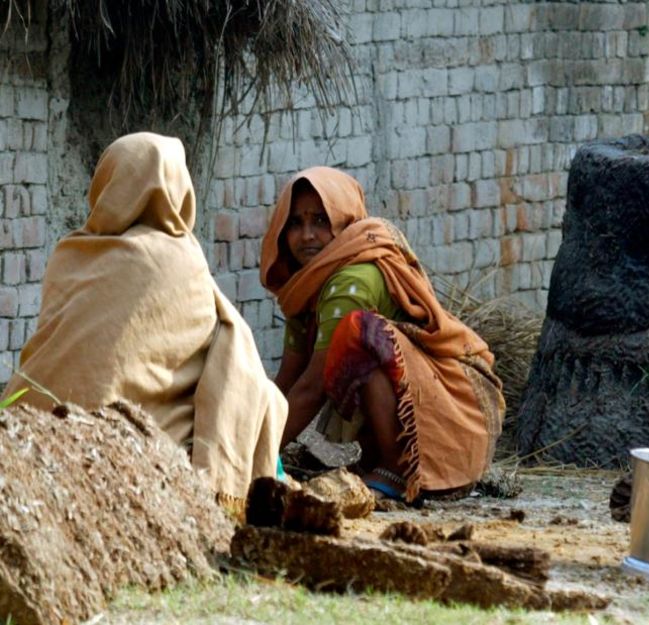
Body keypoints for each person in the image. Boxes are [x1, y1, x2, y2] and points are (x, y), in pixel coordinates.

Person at [0, 132, 287, 509]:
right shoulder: (183, 260)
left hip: (36, 435)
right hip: (140, 451)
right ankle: (233, 496)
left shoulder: (69, 254)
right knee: (256, 394)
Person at [260, 167, 504, 502]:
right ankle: (383, 460)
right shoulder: (307, 285)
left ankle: (395, 469)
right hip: (426, 417)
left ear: (346, 225)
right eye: (296, 223)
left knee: (362, 334)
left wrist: (256, 454)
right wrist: (241, 438)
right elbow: (288, 378)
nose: (307, 235)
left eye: (320, 221)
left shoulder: (350, 281)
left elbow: (311, 388)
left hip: (453, 423)